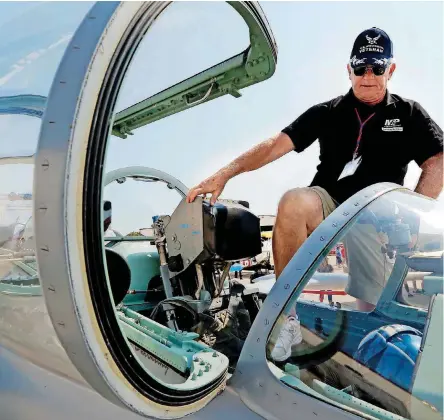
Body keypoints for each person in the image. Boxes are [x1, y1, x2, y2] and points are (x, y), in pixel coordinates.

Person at [186, 27, 443, 361]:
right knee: (294, 201)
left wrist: (414, 225)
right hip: (330, 210)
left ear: (390, 70)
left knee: (376, 315)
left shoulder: (409, 113)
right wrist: (224, 174)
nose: (368, 76)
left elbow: (438, 159)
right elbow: (274, 145)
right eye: (361, 67)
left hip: (375, 221)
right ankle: (287, 320)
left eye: (377, 68)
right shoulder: (328, 111)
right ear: (348, 69)